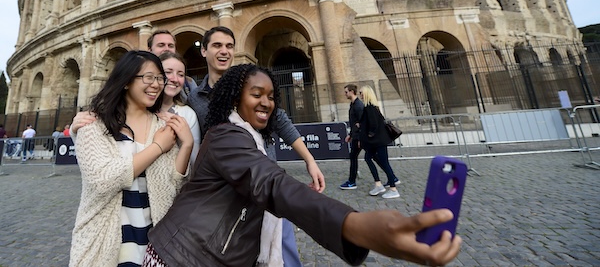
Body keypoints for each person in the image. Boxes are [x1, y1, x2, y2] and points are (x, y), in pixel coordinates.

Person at [144, 64, 462, 267]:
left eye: (271, 96)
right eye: (256, 94)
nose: (266, 102)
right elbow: (271, 183)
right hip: (183, 257)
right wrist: (354, 225)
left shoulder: (248, 137)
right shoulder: (226, 136)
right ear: (234, 99)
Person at [187, 26, 324, 266]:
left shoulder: (250, 83)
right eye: (217, 45)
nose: (224, 51)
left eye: (229, 46)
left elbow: (281, 121)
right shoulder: (195, 99)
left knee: (283, 254)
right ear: (204, 51)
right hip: (226, 196)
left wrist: (310, 160)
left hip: (266, 184)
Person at [69, 50, 194, 267]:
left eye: (159, 78)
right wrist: (157, 147)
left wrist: (187, 146)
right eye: (148, 77)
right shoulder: (93, 126)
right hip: (105, 241)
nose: (156, 84)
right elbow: (102, 181)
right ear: (126, 80)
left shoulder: (163, 126)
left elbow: (175, 187)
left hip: (155, 241)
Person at [158, 51, 201, 166]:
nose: (175, 79)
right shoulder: (140, 110)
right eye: (168, 72)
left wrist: (184, 138)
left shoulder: (188, 114)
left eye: (181, 74)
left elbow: (194, 162)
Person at [358, 85, 400, 199]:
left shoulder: (370, 108)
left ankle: (393, 188)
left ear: (366, 94)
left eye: (361, 93)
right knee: (369, 159)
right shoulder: (373, 107)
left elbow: (374, 125)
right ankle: (378, 184)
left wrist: (368, 134)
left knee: (384, 163)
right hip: (376, 141)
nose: (360, 95)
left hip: (377, 141)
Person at [147, 30, 197, 103]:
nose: (167, 49)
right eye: (161, 45)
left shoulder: (188, 83)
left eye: (170, 46)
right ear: (150, 50)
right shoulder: (140, 80)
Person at [340, 84, 365, 190]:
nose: (345, 94)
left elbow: (362, 123)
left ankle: (351, 181)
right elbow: (354, 122)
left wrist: (359, 138)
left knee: (354, 156)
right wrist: (350, 135)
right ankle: (392, 178)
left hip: (359, 137)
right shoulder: (353, 104)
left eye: (346, 92)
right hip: (356, 136)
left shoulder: (358, 105)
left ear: (351, 92)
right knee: (374, 158)